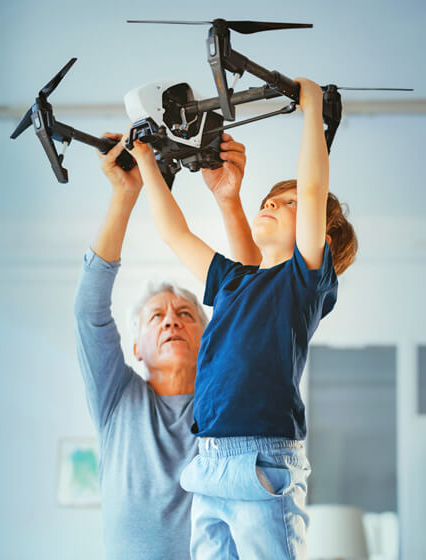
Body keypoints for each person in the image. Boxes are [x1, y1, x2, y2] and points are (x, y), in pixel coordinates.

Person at [129, 77, 358, 559]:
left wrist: (312, 107)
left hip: (262, 459)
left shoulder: (303, 281)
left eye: (290, 203)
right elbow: (175, 233)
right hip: (208, 461)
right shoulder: (233, 280)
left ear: (320, 239)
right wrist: (147, 161)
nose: (274, 201)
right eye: (271, 198)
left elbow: (315, 188)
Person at [74, 131, 255, 560]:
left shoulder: (227, 401)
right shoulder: (117, 398)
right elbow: (89, 312)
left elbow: (251, 308)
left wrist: (229, 200)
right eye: (157, 317)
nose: (172, 319)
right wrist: (124, 194)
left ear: (209, 336)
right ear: (136, 347)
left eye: (186, 314)